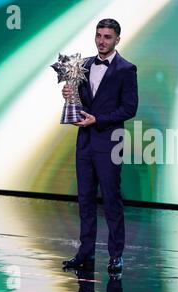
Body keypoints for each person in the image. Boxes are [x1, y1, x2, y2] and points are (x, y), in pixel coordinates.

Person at [61, 18, 138, 274]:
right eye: (98, 35)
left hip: (109, 142)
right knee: (84, 199)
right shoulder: (83, 65)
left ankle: (116, 255)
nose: (101, 41)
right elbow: (82, 102)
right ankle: (85, 252)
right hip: (84, 142)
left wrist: (99, 119)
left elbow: (129, 108)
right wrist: (70, 98)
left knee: (111, 199)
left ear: (117, 39)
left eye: (107, 37)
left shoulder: (126, 69)